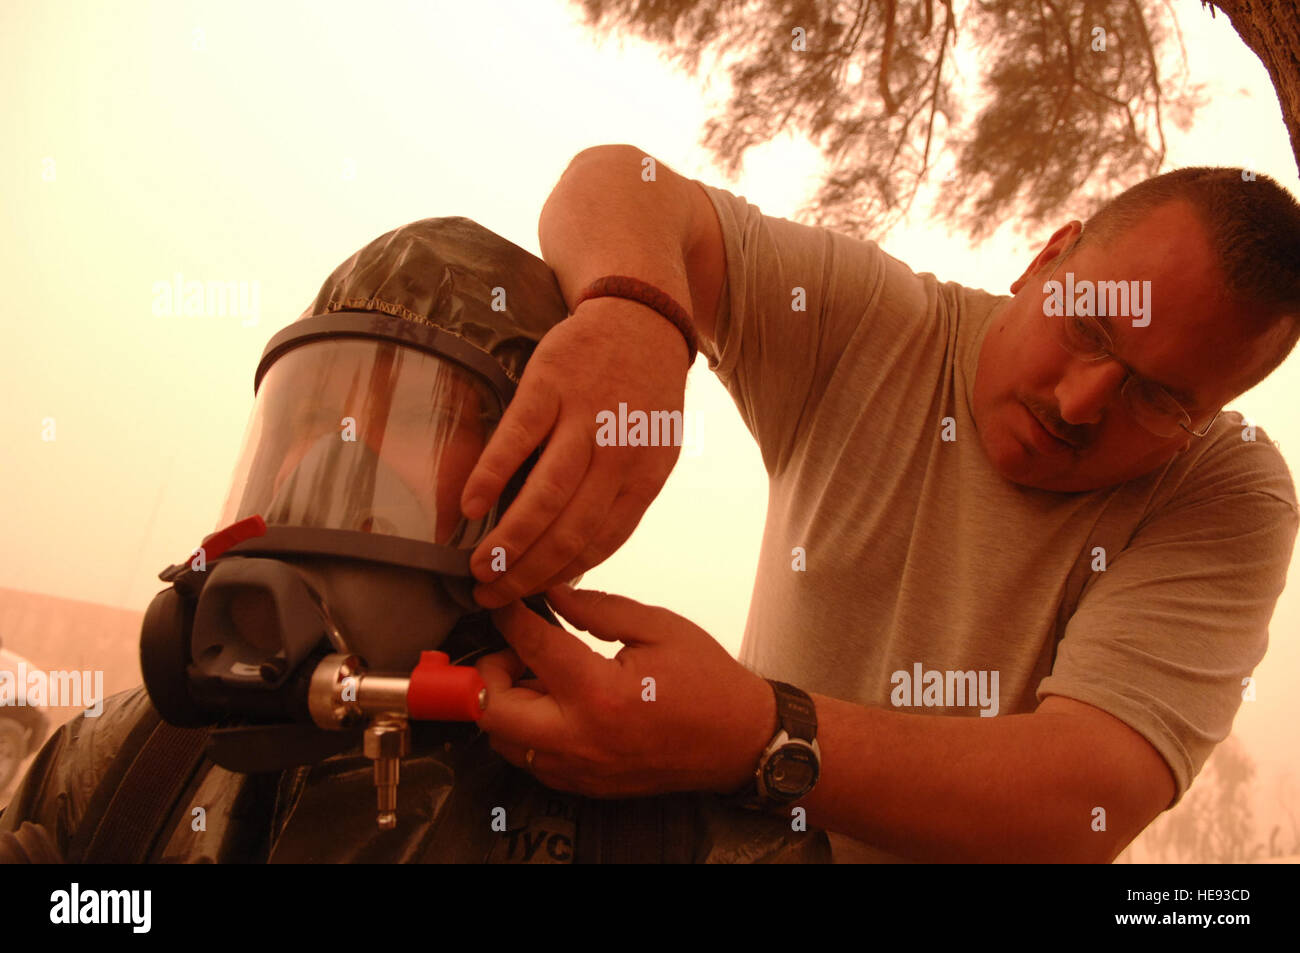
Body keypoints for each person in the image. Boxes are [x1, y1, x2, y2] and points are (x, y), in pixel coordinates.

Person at [459, 148, 1300, 862]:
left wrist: (754, 735)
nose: (1081, 404)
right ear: (1048, 257)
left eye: (1158, 399)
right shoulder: (878, 324)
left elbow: (1086, 797)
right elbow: (615, 181)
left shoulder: (1226, 491)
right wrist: (634, 316)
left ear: (1210, 413)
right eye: (1090, 326)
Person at [0, 215, 829, 863]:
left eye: (406, 419)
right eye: (312, 414)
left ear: (533, 479)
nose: (330, 458)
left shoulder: (668, 827)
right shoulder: (122, 763)